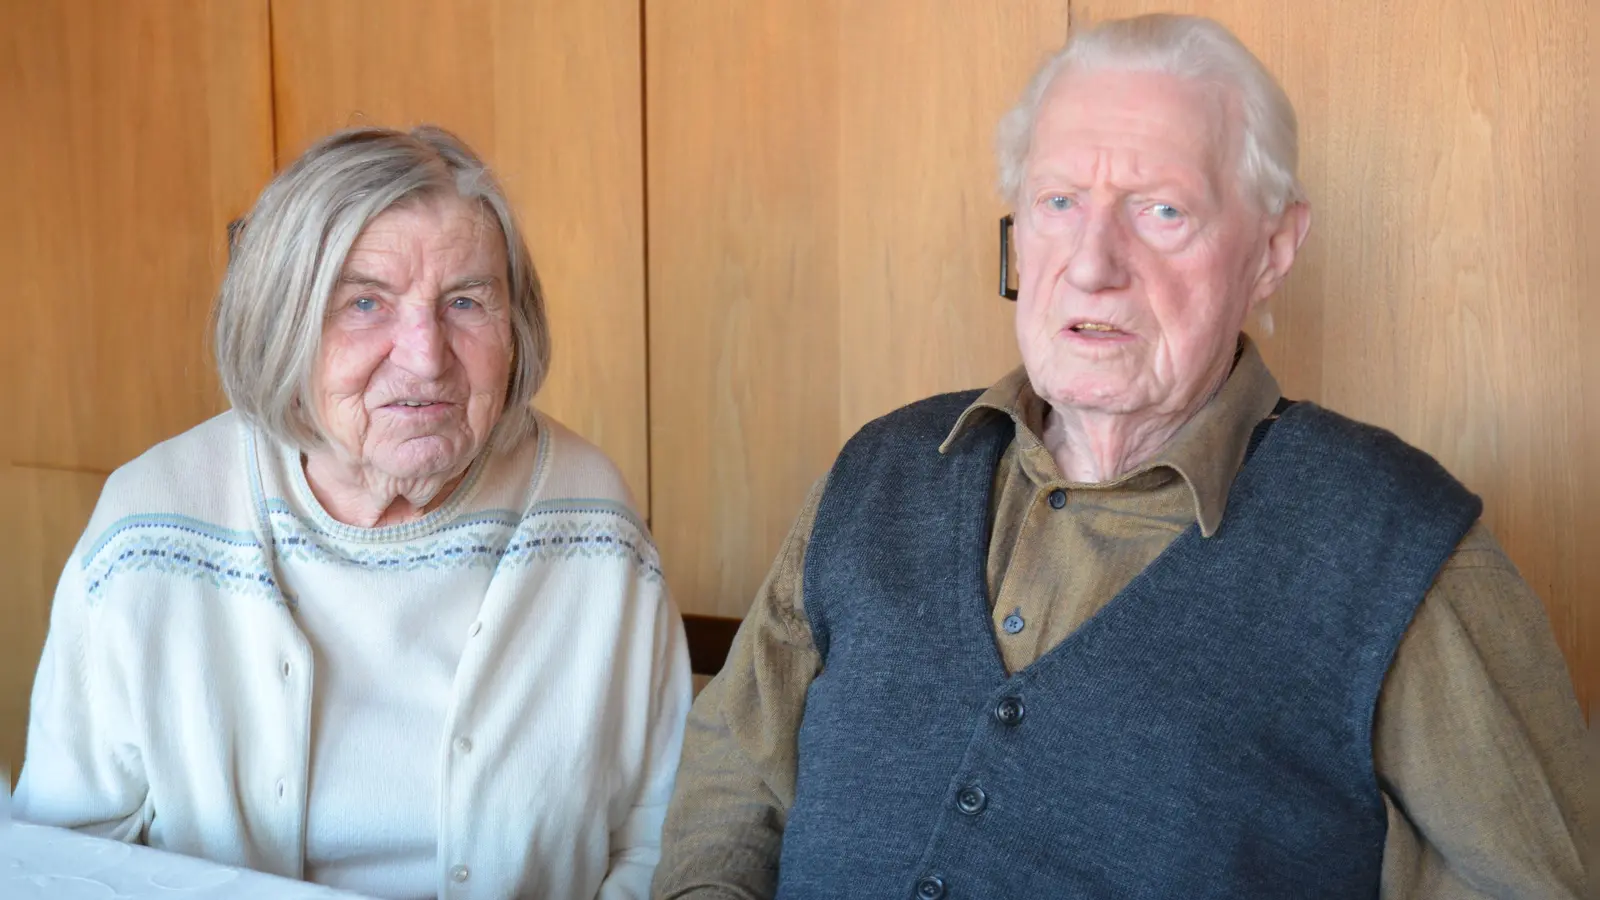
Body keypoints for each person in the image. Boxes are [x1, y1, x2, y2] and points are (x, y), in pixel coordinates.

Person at [653, 15, 1589, 900]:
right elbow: (737, 780)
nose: (1092, 262)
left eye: (1162, 210)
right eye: (1059, 202)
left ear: (1272, 250)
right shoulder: (879, 472)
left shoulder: (1399, 548)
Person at [16, 125, 691, 900]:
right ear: (280, 324)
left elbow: (657, 833)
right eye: (365, 302)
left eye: (466, 302)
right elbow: (62, 855)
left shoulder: (590, 516)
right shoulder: (152, 520)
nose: (426, 355)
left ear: (516, 328)